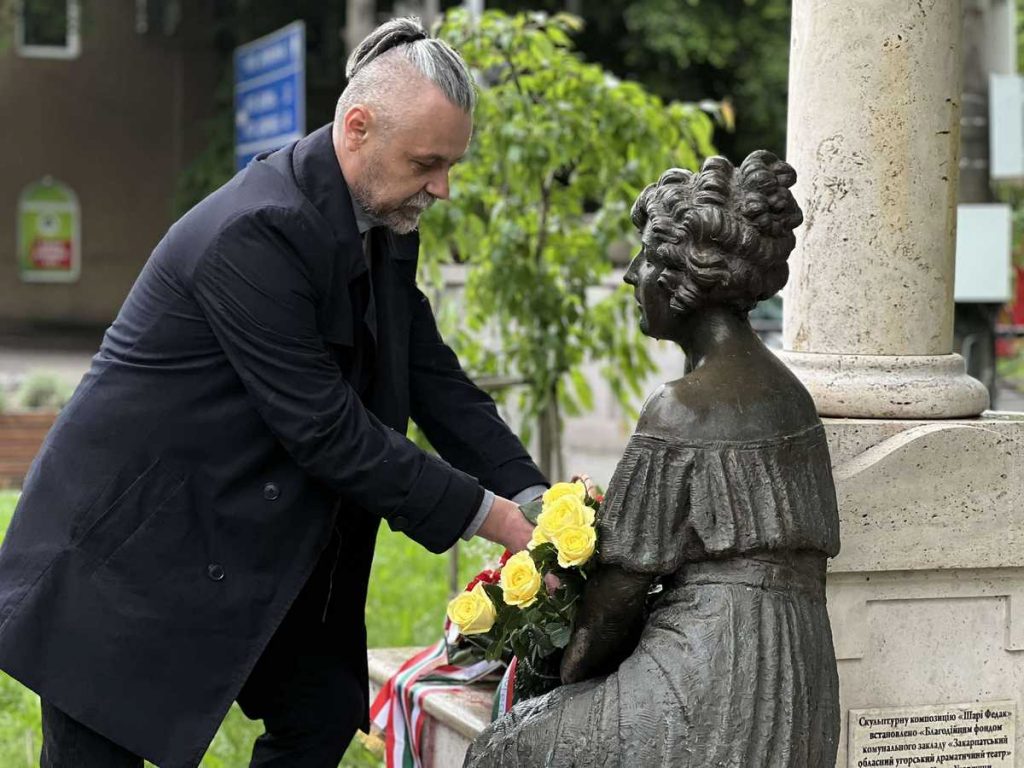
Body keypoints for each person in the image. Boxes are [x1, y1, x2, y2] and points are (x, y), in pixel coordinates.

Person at [0, 17, 547, 768]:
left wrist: (536, 498)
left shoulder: (381, 219)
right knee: (100, 748)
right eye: (427, 163)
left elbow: (434, 379)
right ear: (357, 128)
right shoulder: (256, 231)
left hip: (245, 539)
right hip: (125, 556)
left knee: (320, 713)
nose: (442, 188)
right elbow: (328, 429)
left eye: (450, 165)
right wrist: (497, 520)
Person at [465, 152, 841, 767]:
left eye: (645, 257)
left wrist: (561, 676)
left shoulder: (680, 409)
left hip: (709, 679)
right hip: (798, 679)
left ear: (683, 279)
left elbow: (615, 600)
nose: (630, 274)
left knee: (506, 748)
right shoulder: (791, 397)